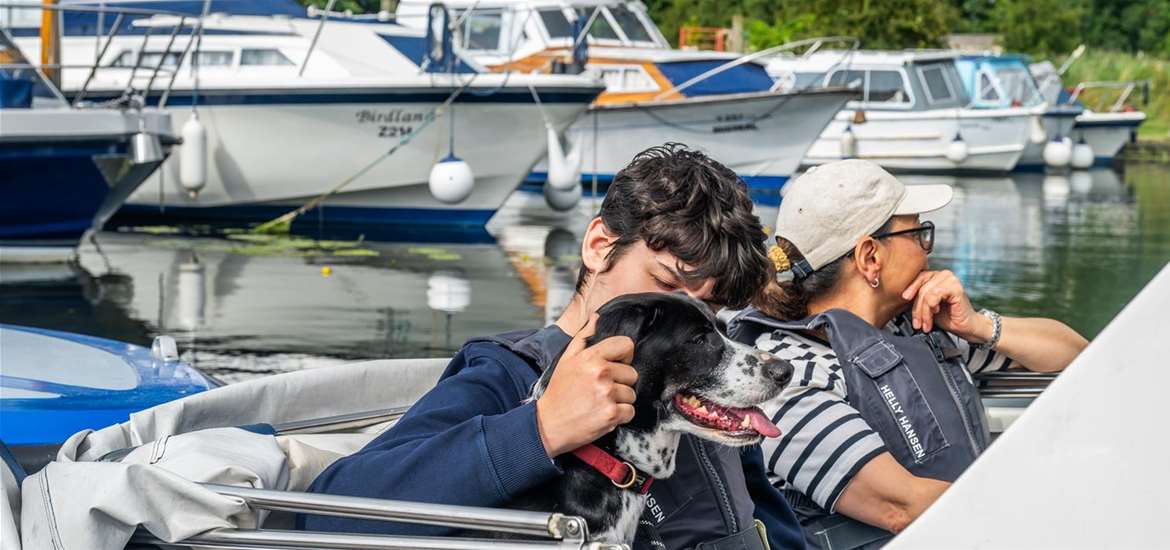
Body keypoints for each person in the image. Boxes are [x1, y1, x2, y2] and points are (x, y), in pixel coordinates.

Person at [299, 144, 806, 550]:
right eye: (666, 284)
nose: (687, 324)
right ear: (599, 247)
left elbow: (773, 526)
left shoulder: (710, 400)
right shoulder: (507, 376)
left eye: (708, 311)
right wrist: (540, 428)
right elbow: (331, 511)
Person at [726, 160, 1088, 550]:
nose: (929, 250)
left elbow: (1077, 356)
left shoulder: (913, 329)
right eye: (919, 235)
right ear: (870, 256)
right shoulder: (787, 376)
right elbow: (903, 507)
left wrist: (978, 326)